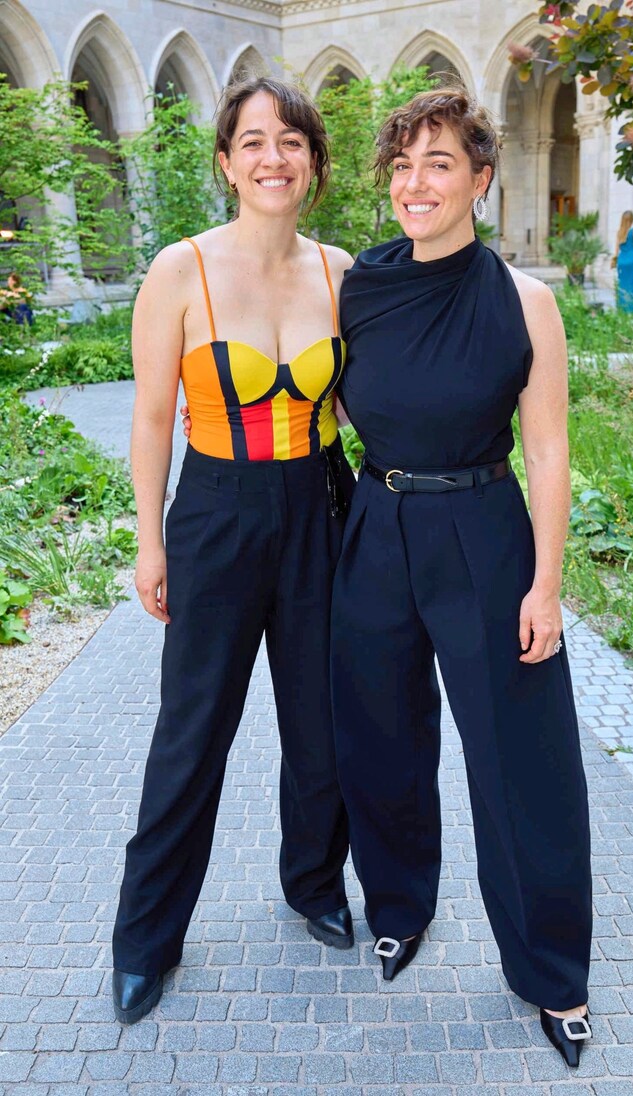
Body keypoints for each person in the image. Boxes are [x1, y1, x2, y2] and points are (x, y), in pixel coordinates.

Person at [330, 86, 593, 1068]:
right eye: (402, 164)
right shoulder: (358, 287)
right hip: (377, 522)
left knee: (521, 760)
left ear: (480, 180)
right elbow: (333, 397)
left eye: (438, 163)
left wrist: (545, 585)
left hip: (483, 529)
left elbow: (552, 451)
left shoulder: (525, 301)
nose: (415, 182)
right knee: (379, 735)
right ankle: (396, 907)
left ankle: (551, 973)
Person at [112, 76, 356, 1025]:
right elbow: (147, 418)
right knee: (193, 730)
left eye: (291, 141)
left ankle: (314, 884)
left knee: (322, 719)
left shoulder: (341, 271)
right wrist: (149, 539)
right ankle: (145, 938)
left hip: (322, 503)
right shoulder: (182, 269)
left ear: (314, 164)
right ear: (226, 162)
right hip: (215, 511)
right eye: (254, 141)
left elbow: (358, 404)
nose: (273, 158)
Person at [612, 210, 633, 312]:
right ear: (632, 220)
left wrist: (614, 262)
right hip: (632, 261)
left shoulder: (619, 232)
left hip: (622, 261)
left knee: (622, 285)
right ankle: (630, 309)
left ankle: (621, 309)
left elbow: (616, 250)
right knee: (631, 285)